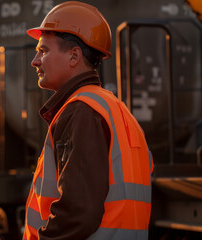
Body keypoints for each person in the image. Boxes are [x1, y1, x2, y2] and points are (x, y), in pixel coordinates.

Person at [22, 1, 153, 240]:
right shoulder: (115, 109)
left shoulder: (82, 111)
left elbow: (79, 212)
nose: (35, 61)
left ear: (74, 56)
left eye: (44, 51)